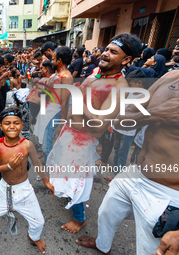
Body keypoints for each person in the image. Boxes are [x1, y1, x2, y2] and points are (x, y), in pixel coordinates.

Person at [46, 33, 142, 234]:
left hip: (83, 139)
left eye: (113, 52)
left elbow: (100, 122)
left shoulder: (119, 86)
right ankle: (69, 195)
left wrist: (79, 99)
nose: (105, 54)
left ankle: (79, 219)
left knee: (78, 178)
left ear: (126, 60)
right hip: (70, 131)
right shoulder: (98, 70)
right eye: (106, 49)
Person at [76, 69, 179, 255]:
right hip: (136, 173)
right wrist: (158, 113)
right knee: (107, 213)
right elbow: (121, 122)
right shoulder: (171, 76)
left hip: (168, 193)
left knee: (150, 249)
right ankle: (102, 245)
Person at [0, 107, 55, 254]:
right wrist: (8, 166)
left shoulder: (27, 145)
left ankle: (33, 237)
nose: (12, 126)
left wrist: (46, 182)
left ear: (22, 125)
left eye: (16, 123)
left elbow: (37, 164)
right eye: (7, 123)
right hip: (3, 188)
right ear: (1, 126)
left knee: (39, 222)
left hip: (24, 189)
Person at [34, 47, 72, 163]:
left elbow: (65, 101)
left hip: (55, 113)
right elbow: (43, 93)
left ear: (59, 60)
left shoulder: (66, 76)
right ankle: (47, 162)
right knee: (44, 142)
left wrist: (61, 123)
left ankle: (51, 171)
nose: (51, 62)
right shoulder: (55, 75)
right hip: (47, 111)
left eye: (54, 59)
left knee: (47, 145)